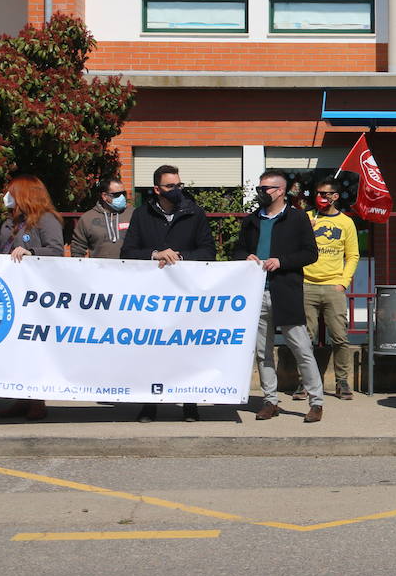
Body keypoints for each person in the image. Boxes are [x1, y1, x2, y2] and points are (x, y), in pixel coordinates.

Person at [122, 164, 215, 422]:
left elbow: (208, 252)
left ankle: (189, 404)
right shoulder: (142, 215)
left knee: (186, 350)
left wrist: (181, 257)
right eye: (170, 186)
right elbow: (128, 252)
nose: (176, 190)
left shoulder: (194, 213)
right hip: (151, 298)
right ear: (156, 189)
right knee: (151, 352)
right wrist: (154, 255)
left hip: (185, 296)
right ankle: (149, 404)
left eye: (179, 185)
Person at [232, 170, 322, 423]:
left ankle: (316, 402)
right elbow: (238, 249)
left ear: (280, 191)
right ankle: (270, 401)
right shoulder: (251, 220)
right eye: (259, 188)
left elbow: (310, 254)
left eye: (266, 189)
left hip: (286, 292)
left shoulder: (297, 218)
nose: (261, 193)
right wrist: (245, 257)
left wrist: (281, 261)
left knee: (302, 348)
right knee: (263, 351)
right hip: (257, 294)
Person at [0, 174, 66, 421]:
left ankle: (37, 399)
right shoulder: (9, 222)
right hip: (11, 292)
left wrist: (31, 252)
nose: (6, 197)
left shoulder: (46, 220)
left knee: (35, 347)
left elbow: (56, 250)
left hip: (35, 294)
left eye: (11, 192)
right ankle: (22, 398)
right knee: (16, 348)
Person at [296, 177, 359, 402]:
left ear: (335, 196)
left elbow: (352, 255)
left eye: (325, 194)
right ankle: (305, 383)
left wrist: (343, 281)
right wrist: (305, 231)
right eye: (318, 193)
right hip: (307, 285)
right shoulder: (306, 218)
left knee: (340, 337)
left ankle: (342, 381)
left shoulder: (345, 223)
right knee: (305, 337)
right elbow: (292, 246)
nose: (320, 197)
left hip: (333, 286)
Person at [71, 177, 129, 258]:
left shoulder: (133, 214)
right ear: (104, 196)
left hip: (129, 269)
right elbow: (77, 249)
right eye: (117, 195)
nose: (122, 197)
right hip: (98, 269)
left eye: (124, 194)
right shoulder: (87, 218)